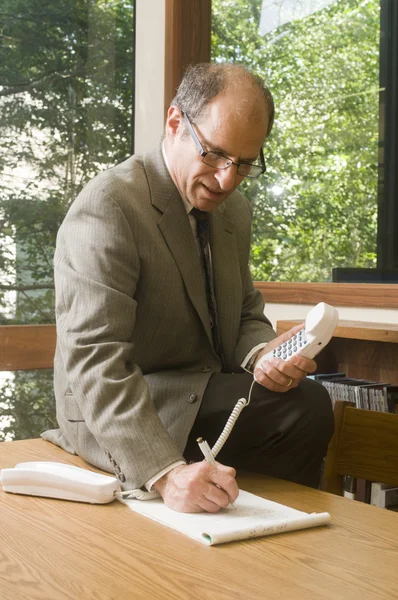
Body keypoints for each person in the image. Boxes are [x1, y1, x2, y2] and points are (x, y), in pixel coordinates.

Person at [42, 63, 334, 513]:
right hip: (122, 402)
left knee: (304, 403)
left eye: (245, 163)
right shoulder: (108, 207)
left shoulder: (232, 211)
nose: (227, 180)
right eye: (215, 155)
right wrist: (166, 473)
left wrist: (264, 356)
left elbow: (244, 314)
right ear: (175, 122)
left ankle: (272, 532)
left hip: (200, 392)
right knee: (303, 408)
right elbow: (94, 357)